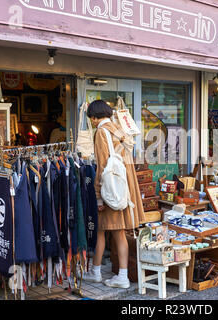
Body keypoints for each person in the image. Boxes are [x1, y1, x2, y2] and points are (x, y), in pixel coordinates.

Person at [84, 99, 145, 289]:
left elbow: (102, 165)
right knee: (109, 230)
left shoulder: (101, 132)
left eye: (92, 118)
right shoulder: (118, 129)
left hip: (110, 189)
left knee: (115, 232)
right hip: (123, 186)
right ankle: (98, 271)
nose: (92, 122)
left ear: (95, 117)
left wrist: (98, 195)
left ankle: (120, 276)